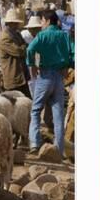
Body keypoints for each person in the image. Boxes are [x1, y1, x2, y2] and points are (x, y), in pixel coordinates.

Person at [26, 10, 72, 156]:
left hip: (45, 76)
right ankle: (59, 149)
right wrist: (68, 64)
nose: (41, 24)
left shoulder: (42, 35)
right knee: (58, 114)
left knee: (36, 110)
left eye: (42, 21)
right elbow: (73, 52)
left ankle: (34, 142)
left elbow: (30, 49)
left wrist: (32, 65)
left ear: (46, 20)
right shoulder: (64, 36)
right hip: (59, 77)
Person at [0, 9, 31, 98]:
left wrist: (23, 47)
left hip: (20, 74)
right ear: (10, 23)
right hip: (12, 76)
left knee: (26, 101)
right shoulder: (4, 36)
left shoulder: (16, 33)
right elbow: (19, 51)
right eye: (15, 23)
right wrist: (23, 47)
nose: (17, 25)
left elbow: (24, 46)